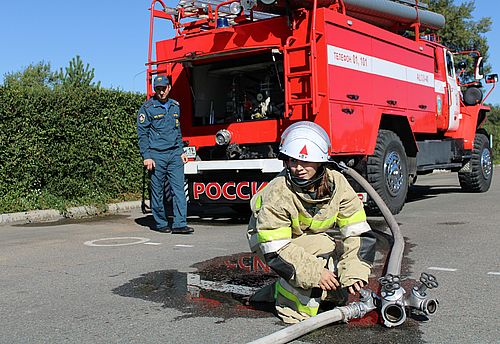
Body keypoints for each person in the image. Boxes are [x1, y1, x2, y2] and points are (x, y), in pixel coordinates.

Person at [247, 121, 376, 323]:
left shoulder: (337, 184)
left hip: (301, 235)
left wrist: (354, 272)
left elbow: (357, 231)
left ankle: (291, 290)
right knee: (308, 276)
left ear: (320, 162)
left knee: (333, 256)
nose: (298, 168)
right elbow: (277, 249)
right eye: (292, 161)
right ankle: (290, 303)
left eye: (305, 162)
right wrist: (316, 273)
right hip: (268, 241)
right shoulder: (279, 192)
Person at [137, 75, 194, 234]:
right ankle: (161, 223)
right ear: (155, 90)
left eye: (164, 88)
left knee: (179, 191)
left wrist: (181, 151)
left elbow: (177, 130)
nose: (161, 92)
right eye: (158, 89)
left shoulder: (175, 106)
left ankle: (179, 224)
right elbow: (142, 134)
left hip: (174, 155)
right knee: (157, 191)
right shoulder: (147, 108)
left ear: (169, 87)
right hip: (156, 156)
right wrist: (146, 156)